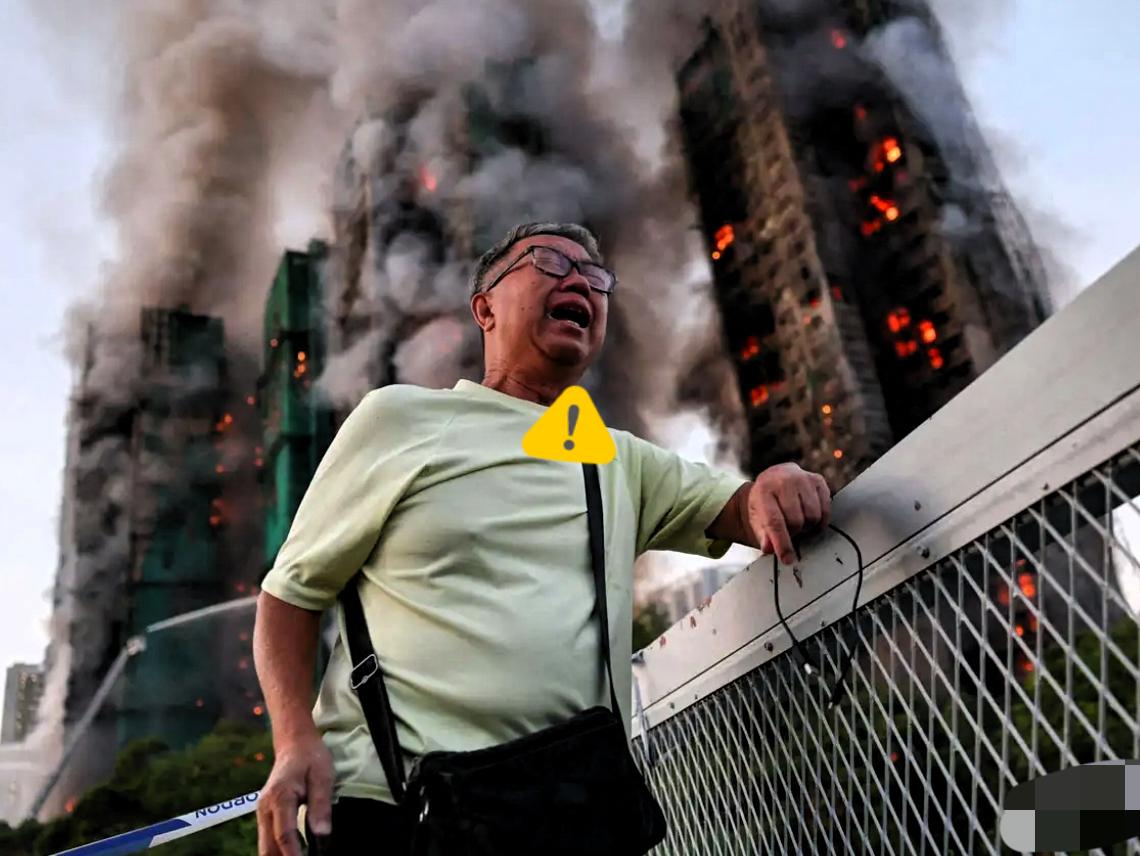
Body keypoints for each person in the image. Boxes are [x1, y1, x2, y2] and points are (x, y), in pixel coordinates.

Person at [253, 222, 831, 855]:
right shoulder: (401, 419)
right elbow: (290, 595)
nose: (580, 278)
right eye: (550, 262)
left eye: (596, 277)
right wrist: (293, 740)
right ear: (486, 308)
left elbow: (741, 507)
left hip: (568, 816)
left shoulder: (616, 459)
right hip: (396, 810)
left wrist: (778, 482)